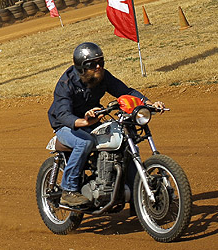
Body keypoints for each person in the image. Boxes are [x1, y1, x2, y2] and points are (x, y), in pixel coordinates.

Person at [47, 42, 164, 207]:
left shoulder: (102, 76)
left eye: (100, 62)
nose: (98, 67)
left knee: (122, 137)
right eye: (92, 64)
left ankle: (131, 190)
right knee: (84, 142)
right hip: (65, 124)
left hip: (92, 118)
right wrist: (83, 122)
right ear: (81, 67)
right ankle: (69, 190)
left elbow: (126, 92)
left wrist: (149, 104)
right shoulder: (66, 84)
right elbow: (62, 114)